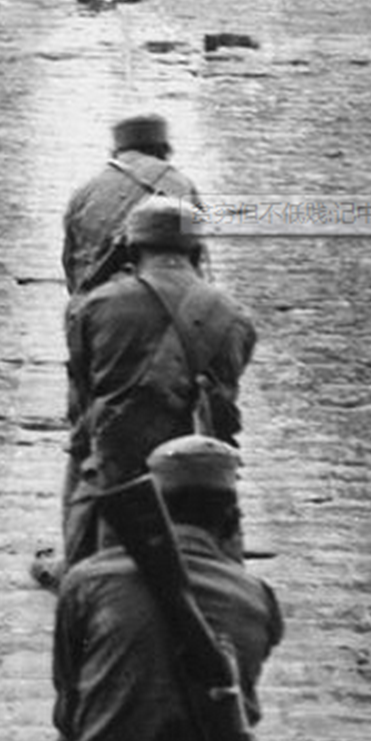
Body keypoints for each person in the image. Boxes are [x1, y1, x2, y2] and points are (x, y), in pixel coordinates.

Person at [25, 435, 285, 741]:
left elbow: (69, 705)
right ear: (230, 519)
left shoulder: (86, 581)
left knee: (71, 729)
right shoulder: (256, 598)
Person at [62, 195, 256, 567]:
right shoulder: (234, 318)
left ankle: (73, 566)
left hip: (117, 479)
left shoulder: (96, 307)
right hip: (204, 486)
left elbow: (81, 406)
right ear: (196, 251)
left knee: (84, 461)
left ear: (132, 249)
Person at [61, 114, 202, 296]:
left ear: (116, 151)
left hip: (93, 297)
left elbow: (69, 260)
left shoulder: (85, 190)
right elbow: (194, 252)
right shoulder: (181, 184)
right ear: (165, 150)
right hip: (164, 298)